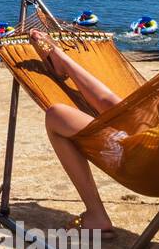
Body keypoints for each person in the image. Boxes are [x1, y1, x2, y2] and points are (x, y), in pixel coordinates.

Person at [29, 31, 122, 231]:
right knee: (121, 107)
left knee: (56, 115)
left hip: (143, 157)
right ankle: (61, 58)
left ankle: (96, 214)